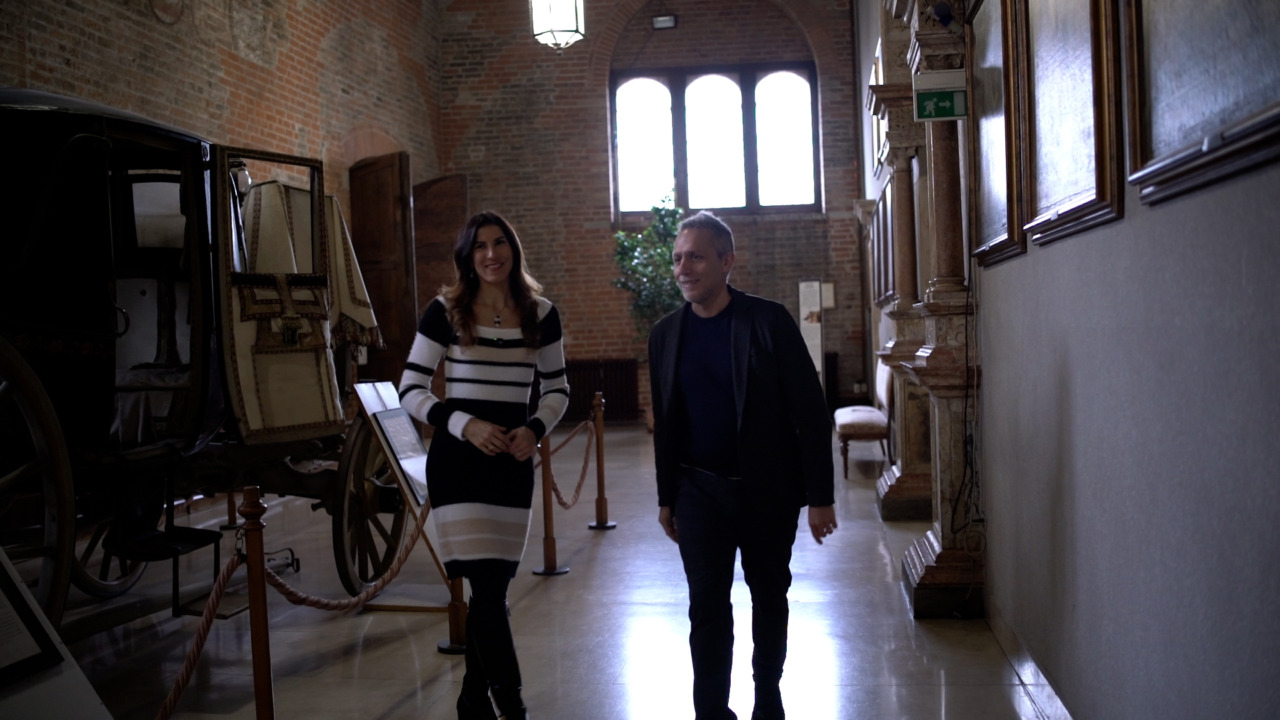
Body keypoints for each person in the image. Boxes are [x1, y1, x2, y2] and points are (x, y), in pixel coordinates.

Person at [648, 210, 837, 720]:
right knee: (706, 605)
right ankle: (711, 709)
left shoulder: (767, 322)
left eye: (696, 257)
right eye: (677, 258)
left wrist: (820, 497)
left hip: (765, 490)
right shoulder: (665, 334)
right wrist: (667, 497)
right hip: (697, 490)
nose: (684, 268)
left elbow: (810, 412)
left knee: (769, 596)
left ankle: (767, 696)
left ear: (726, 261)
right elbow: (666, 426)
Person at [399, 210, 569, 720]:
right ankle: (511, 705)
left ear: (513, 250)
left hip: (511, 462)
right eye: (480, 246)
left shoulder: (541, 313)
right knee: (488, 592)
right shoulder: (445, 310)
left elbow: (558, 389)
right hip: (458, 463)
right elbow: (410, 388)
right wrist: (463, 424)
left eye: (499, 243)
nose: (491, 254)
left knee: (491, 590)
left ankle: (473, 700)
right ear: (467, 256)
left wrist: (534, 430)